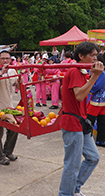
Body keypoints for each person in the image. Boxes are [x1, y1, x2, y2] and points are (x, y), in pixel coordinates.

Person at [58, 42, 103, 196]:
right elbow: (80, 96)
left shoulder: (83, 72)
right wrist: (95, 76)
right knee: (72, 165)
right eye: (92, 55)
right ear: (81, 56)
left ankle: (74, 189)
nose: (95, 58)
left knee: (93, 157)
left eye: (96, 55)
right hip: (72, 124)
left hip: (81, 122)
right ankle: (66, 194)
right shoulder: (75, 71)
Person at [0, 50, 20, 166]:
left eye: (8, 58)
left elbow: (19, 85)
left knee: (15, 130)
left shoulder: (12, 71)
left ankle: (8, 151)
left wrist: (22, 78)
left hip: (9, 107)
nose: (5, 61)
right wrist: (1, 73)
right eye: (3, 58)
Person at [87, 53, 105, 147]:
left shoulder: (102, 73)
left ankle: (86, 140)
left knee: (90, 120)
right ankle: (101, 140)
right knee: (102, 121)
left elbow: (97, 86)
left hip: (97, 100)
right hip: (103, 100)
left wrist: (88, 87)